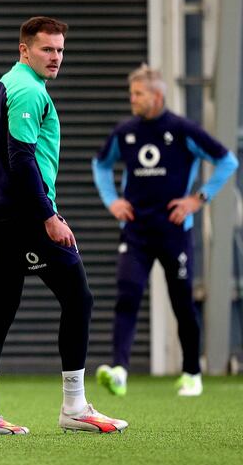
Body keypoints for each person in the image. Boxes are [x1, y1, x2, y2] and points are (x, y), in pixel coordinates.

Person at [0, 17, 127, 436]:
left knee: (0, 313)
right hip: (24, 220)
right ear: (25, 50)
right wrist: (48, 217)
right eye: (47, 49)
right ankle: (74, 406)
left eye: (59, 50)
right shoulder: (25, 88)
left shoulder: (17, 82)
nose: (55, 57)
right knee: (79, 298)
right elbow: (21, 160)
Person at [92, 64, 238, 397]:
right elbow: (100, 165)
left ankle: (191, 373)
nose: (132, 99)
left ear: (157, 96)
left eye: (138, 94)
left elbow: (227, 160)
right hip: (135, 232)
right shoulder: (125, 132)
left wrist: (198, 199)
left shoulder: (183, 129)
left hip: (174, 232)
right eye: (131, 93)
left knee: (182, 303)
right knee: (126, 297)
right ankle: (120, 371)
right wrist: (112, 201)